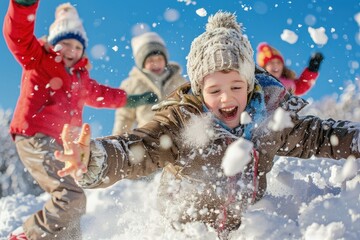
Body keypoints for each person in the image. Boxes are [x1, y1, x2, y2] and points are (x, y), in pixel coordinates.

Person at [55, 11, 359, 239]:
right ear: (200, 91)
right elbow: (139, 147)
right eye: (214, 90)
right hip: (186, 228)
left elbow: (319, 136)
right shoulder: (181, 122)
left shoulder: (270, 118)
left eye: (236, 86)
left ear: (251, 84)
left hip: (244, 226)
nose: (226, 97)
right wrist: (97, 157)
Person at [3, 0, 157, 239]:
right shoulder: (38, 59)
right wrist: (23, 7)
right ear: (54, 43)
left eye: (77, 46)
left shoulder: (81, 80)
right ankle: (27, 235)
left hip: (61, 146)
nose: (71, 51)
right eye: (65, 43)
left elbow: (106, 95)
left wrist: (133, 100)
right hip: (35, 136)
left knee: (74, 204)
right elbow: (17, 36)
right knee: (70, 196)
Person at [112, 32, 187, 135]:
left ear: (165, 60)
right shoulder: (132, 84)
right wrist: (119, 138)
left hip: (176, 136)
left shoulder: (178, 81)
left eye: (159, 59)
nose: (156, 64)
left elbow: (189, 104)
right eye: (150, 60)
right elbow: (125, 116)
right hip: (146, 138)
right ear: (142, 63)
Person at [256, 42, 324, 96]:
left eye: (278, 62)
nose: (275, 65)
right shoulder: (258, 81)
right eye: (271, 62)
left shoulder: (288, 83)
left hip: (283, 112)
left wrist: (312, 70)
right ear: (264, 67)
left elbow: (301, 85)